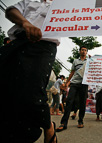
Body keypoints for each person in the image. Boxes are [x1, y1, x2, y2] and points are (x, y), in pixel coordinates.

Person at [0, 0, 59, 142]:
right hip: (17, 43)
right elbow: (10, 11)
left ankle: (48, 125)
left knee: (33, 94)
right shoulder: (30, 1)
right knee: (5, 90)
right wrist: (25, 23)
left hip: (44, 46)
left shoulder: (63, 5)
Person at [56, 46, 88, 132]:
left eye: (85, 50)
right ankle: (63, 123)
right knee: (69, 101)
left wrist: (93, 60)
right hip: (74, 83)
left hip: (84, 84)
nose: (84, 51)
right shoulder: (75, 61)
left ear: (87, 52)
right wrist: (66, 83)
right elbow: (72, 72)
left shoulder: (89, 61)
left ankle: (80, 121)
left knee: (82, 103)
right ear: (79, 51)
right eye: (82, 50)